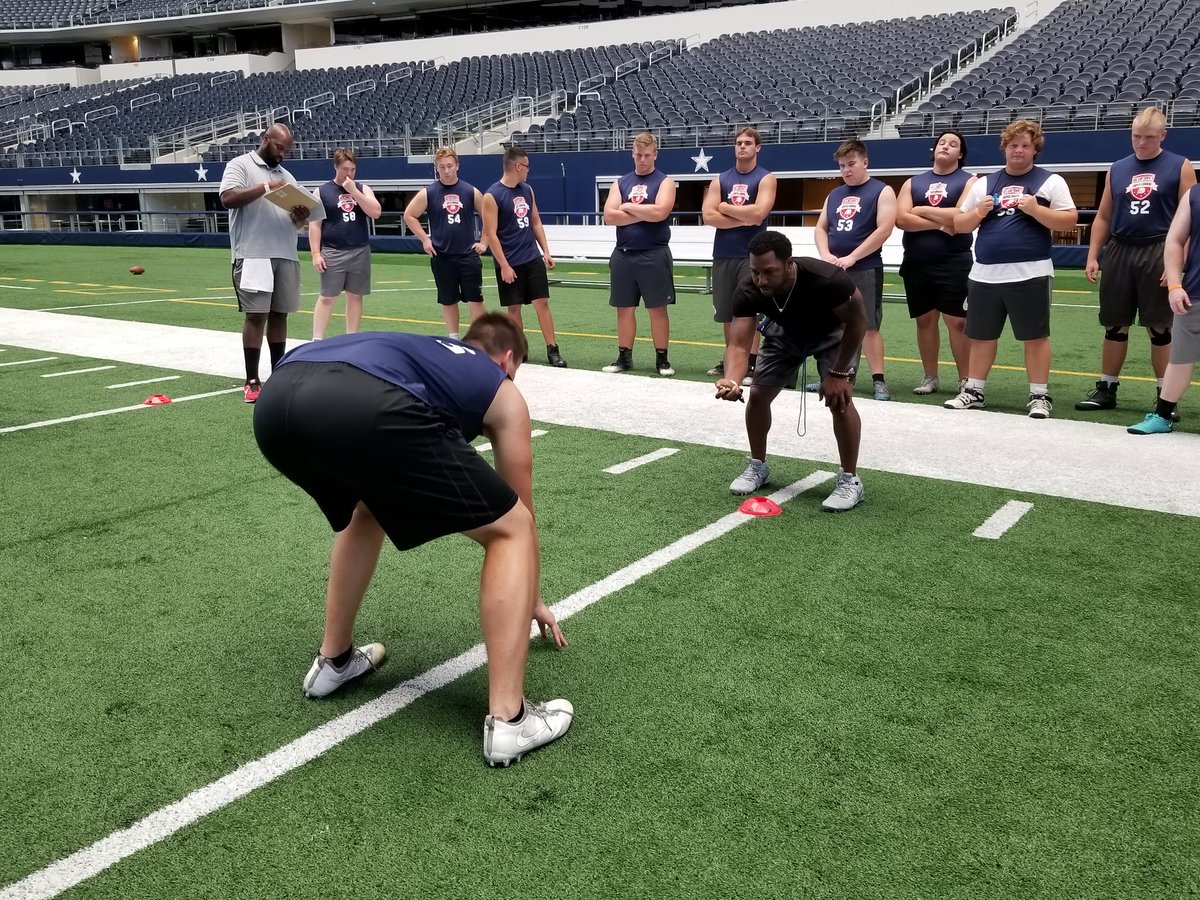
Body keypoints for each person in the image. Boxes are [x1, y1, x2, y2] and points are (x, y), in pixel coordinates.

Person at [252, 313, 572, 767]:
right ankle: (510, 720)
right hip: (366, 400)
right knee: (513, 529)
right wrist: (533, 595)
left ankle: (334, 661)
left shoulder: (426, 351)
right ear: (506, 360)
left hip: (277, 399)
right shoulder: (498, 382)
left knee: (367, 509)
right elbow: (519, 506)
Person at [716, 230, 868, 512]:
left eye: (769, 272)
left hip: (834, 334)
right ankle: (757, 466)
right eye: (755, 271)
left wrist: (838, 374)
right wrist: (733, 379)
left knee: (840, 400)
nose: (761, 280)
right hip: (784, 333)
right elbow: (738, 344)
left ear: (789, 264)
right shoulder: (749, 287)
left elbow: (859, 322)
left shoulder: (828, 279)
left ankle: (850, 480)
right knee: (758, 394)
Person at [946, 119, 1078, 419]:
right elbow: (959, 223)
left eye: (1025, 145)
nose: (1018, 150)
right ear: (1004, 147)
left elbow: (1069, 220)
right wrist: (979, 212)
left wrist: (1035, 209)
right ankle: (974, 390)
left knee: (1035, 337)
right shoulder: (984, 183)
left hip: (1030, 271)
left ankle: (1039, 395)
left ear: (1035, 150)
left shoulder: (1050, 181)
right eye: (1013, 144)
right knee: (980, 335)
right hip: (984, 273)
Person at [1077, 107, 1196, 416]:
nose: (1141, 143)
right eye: (1136, 136)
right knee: (1114, 324)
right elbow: (1103, 216)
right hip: (1120, 249)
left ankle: (1164, 396)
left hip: (1158, 248)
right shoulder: (1118, 168)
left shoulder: (1180, 166)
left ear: (1163, 135)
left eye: (1149, 137)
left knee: (1160, 327)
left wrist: (1177, 265)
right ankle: (1106, 388)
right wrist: (1093, 255)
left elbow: (1190, 220)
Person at [219, 122, 323, 403]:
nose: (282, 155)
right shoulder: (240, 165)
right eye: (279, 147)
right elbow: (228, 198)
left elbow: (296, 221)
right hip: (253, 254)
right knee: (256, 315)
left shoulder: (287, 175)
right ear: (266, 139)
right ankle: (251, 380)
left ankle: (278, 375)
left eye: (286, 150)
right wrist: (265, 186)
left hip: (286, 254)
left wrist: (301, 216)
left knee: (280, 314)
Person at [815, 139, 898, 401]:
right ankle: (832, 376)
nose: (846, 170)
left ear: (865, 162)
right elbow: (821, 228)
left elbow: (884, 229)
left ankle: (878, 381)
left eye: (851, 164)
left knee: (869, 326)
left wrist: (853, 257)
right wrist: (826, 255)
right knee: (835, 324)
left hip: (865, 267)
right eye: (842, 166)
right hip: (835, 270)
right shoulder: (835, 194)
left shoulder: (881, 191)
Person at [896, 130, 977, 395]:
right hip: (917, 263)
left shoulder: (969, 181)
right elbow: (901, 219)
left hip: (954, 262)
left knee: (957, 322)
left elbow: (961, 215)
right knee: (925, 320)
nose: (946, 146)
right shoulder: (913, 182)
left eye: (953, 144)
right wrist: (943, 225)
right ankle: (930, 377)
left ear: (960, 153)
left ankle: (966, 379)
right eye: (942, 142)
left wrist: (920, 210)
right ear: (934, 149)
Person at [702, 127, 777, 383]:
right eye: (738, 143)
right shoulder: (720, 179)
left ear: (757, 148)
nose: (742, 146)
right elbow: (708, 216)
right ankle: (731, 361)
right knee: (727, 312)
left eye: (747, 143)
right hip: (724, 254)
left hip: (753, 258)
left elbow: (759, 214)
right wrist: (742, 217)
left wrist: (725, 208)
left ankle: (752, 362)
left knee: (750, 312)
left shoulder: (765, 178)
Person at [481, 147, 567, 367]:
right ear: (518, 166)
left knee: (542, 303)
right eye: (527, 167)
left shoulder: (527, 190)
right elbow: (491, 234)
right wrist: (504, 265)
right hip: (509, 262)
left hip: (531, 257)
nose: (529, 171)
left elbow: (535, 221)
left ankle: (552, 349)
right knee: (514, 308)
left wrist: (545, 251)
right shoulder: (492, 195)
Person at [601, 132, 677, 377]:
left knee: (657, 308)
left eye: (647, 155)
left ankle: (662, 359)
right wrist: (645, 211)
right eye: (638, 154)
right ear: (632, 154)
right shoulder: (620, 182)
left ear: (655, 154)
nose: (642, 159)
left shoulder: (664, 182)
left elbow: (660, 213)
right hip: (623, 255)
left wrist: (628, 207)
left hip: (654, 253)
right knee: (623, 309)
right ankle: (624, 356)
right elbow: (609, 216)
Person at [1128, 183, 1200, 434]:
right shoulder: (1195, 194)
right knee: (1181, 357)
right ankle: (1162, 415)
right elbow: (1175, 239)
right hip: (1196, 290)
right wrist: (1174, 284)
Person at [403, 147, 488, 339]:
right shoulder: (429, 192)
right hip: (442, 256)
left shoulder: (470, 191)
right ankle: (454, 338)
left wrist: (484, 241)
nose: (447, 170)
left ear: (457, 166)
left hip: (468, 255)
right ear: (436, 168)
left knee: (475, 298)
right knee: (448, 300)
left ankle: (478, 338)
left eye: (450, 166)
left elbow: (489, 217)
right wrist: (425, 239)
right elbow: (409, 215)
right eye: (442, 167)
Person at [309, 148, 382, 341]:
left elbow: (375, 212)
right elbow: (315, 225)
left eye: (352, 169)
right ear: (336, 167)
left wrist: (354, 192)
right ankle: (317, 339)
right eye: (344, 169)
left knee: (355, 296)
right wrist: (316, 254)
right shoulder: (322, 191)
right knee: (327, 297)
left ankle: (351, 338)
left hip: (359, 250)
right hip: (332, 251)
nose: (348, 174)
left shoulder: (363, 188)